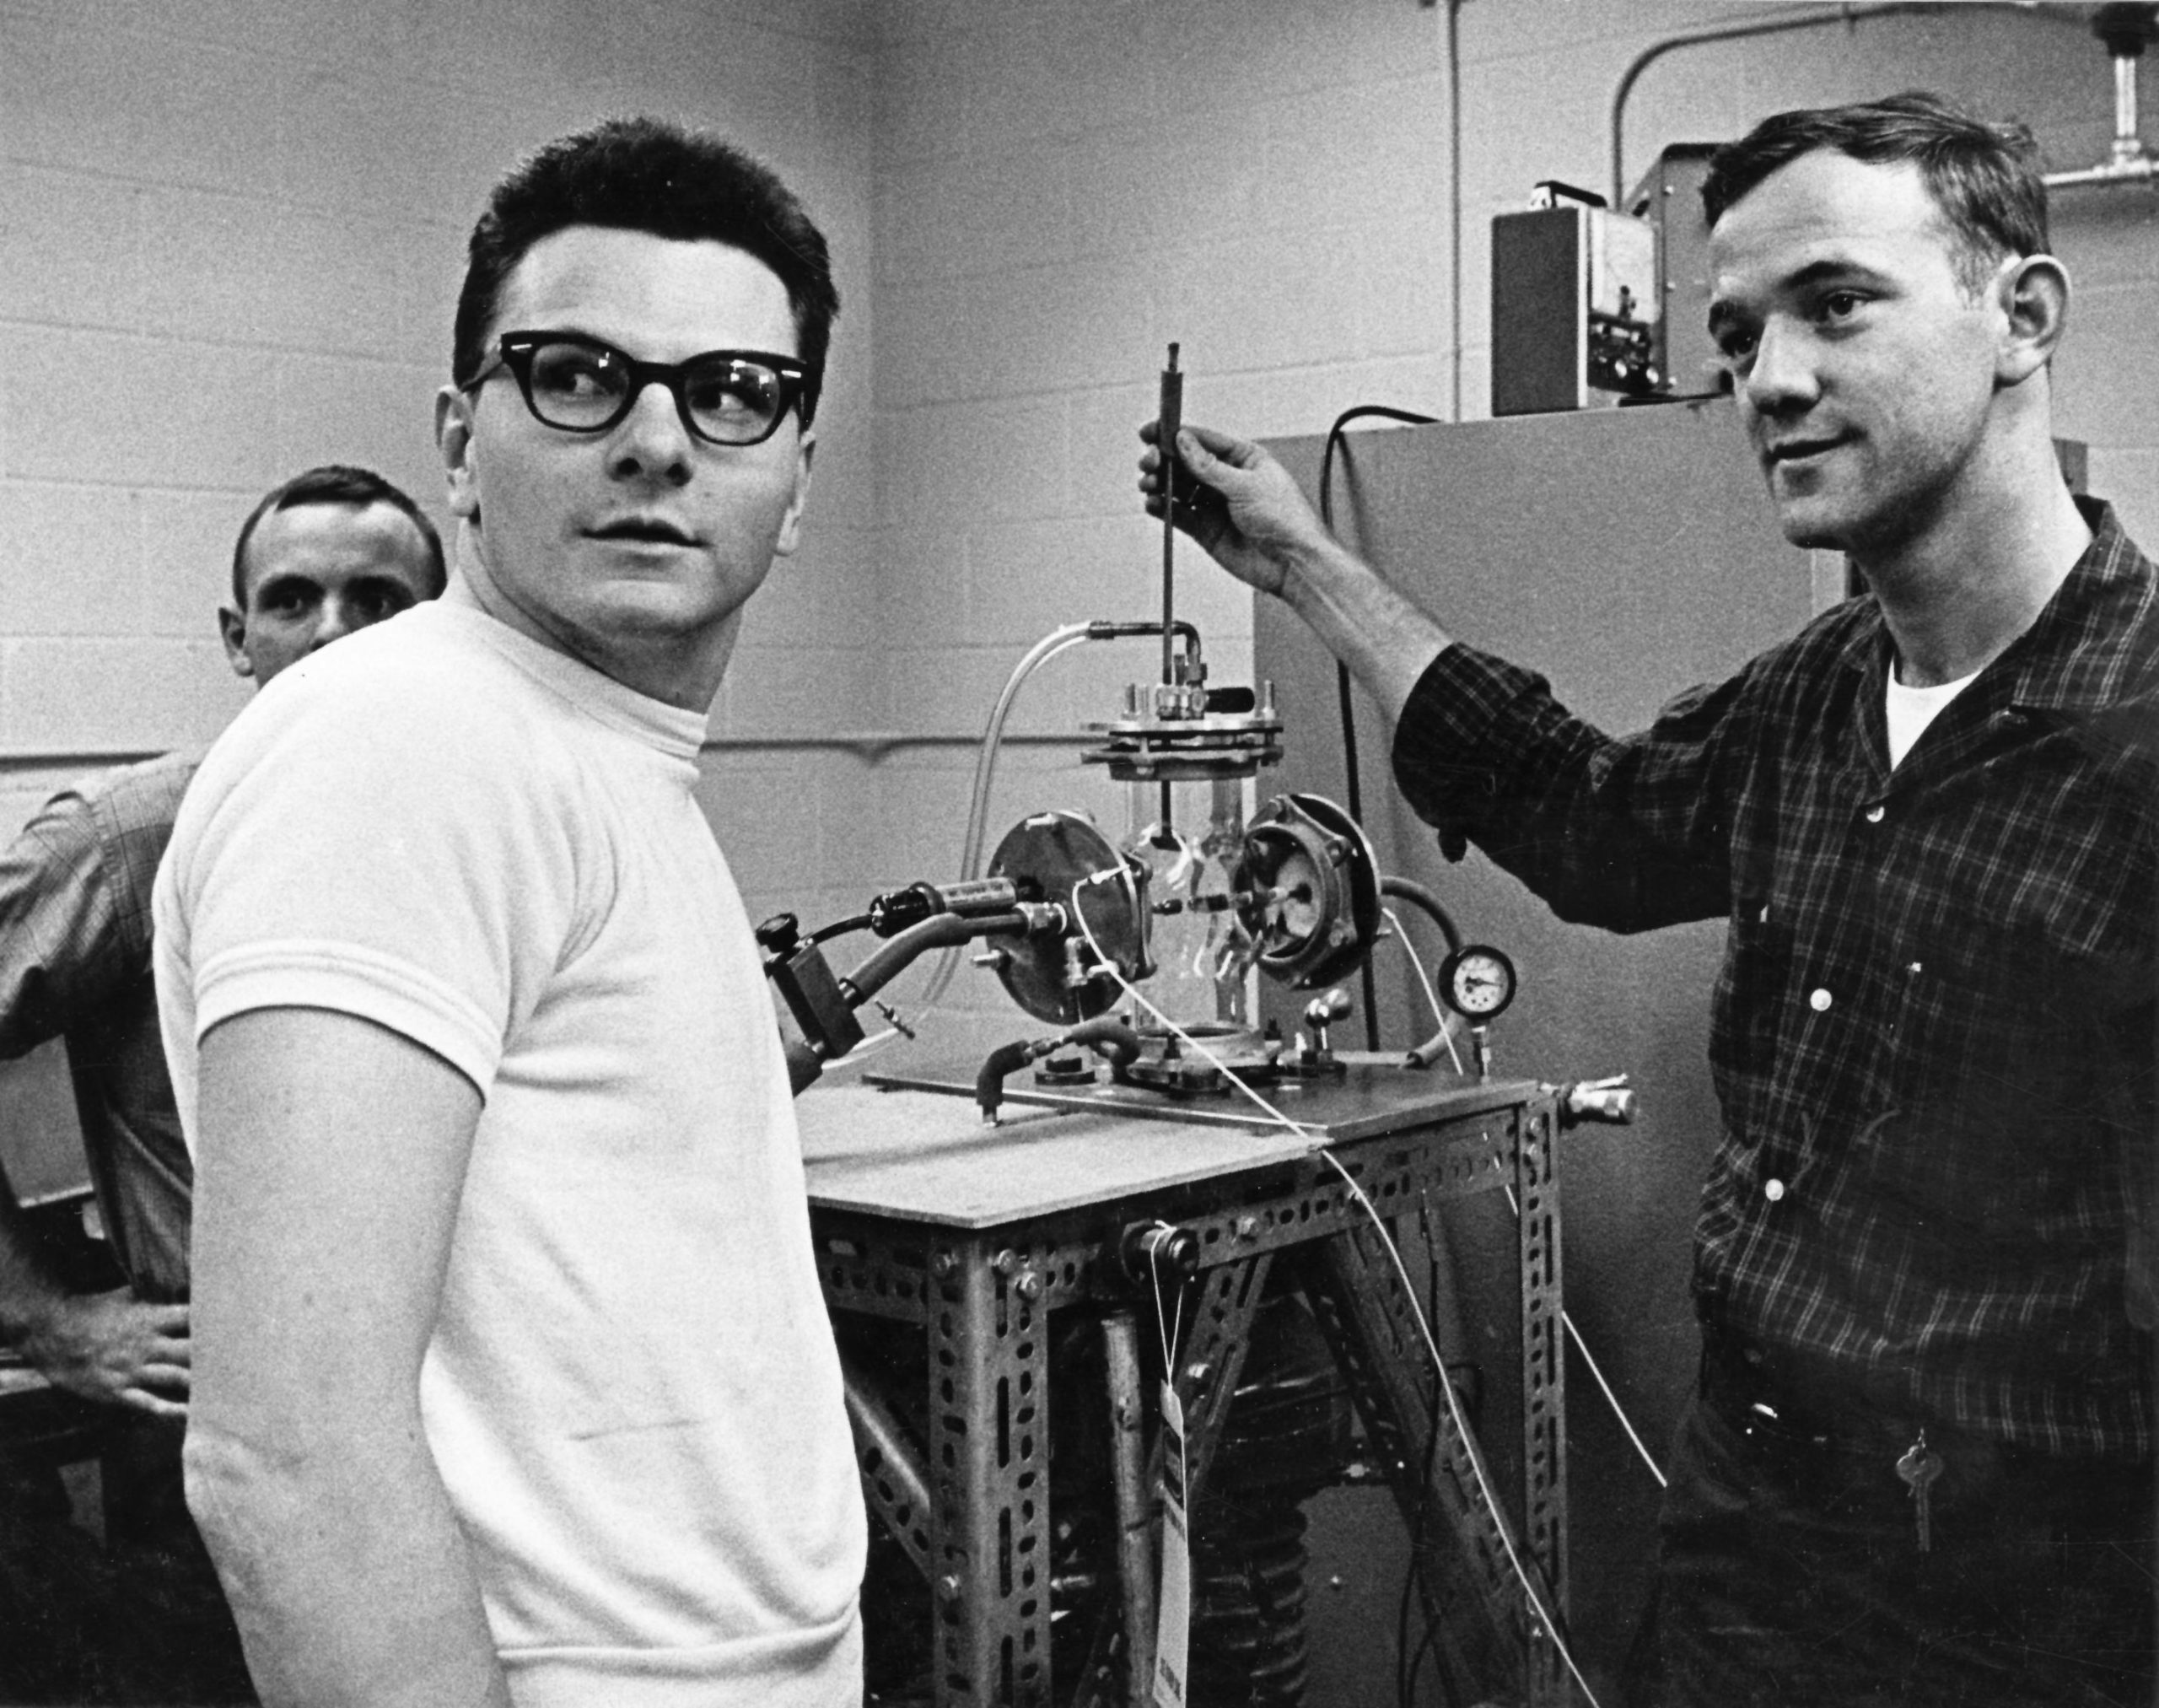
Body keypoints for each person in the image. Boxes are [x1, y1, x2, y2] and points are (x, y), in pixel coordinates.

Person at [1140, 91, 2156, 1707]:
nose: (1772, 380)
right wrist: (1302, 561)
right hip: (1749, 1575)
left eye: (1835, 305)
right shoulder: (1819, 696)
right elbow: (1584, 813)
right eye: (1741, 331)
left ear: (2022, 316)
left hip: (2034, 1630)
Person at [153, 117, 867, 1707]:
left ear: (797, 477)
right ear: (461, 444)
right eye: (576, 373)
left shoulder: (591, 759)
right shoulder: (408, 743)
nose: (658, 442)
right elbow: (291, 1466)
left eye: (733, 391)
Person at [0, 462, 444, 1704]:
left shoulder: (471, 831)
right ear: (237, 637)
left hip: (442, 1405)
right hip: (222, 1414)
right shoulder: (141, 837)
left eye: (381, 599)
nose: (334, 634)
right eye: (294, 599)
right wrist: (43, 1314)